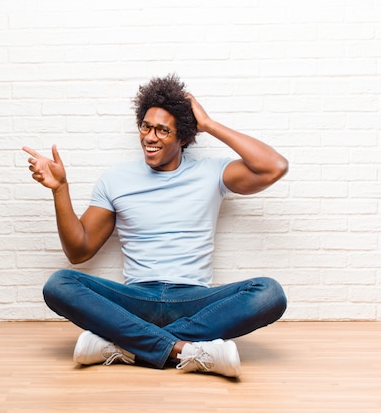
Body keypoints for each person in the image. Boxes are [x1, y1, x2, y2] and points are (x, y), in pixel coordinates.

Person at [22, 74, 288, 378]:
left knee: (269, 293)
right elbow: (79, 251)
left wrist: (209, 124)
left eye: (163, 130)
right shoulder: (116, 179)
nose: (150, 137)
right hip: (136, 299)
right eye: (146, 127)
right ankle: (185, 351)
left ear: (184, 137)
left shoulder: (212, 173)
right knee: (59, 284)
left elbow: (274, 166)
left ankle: (126, 345)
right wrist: (60, 189)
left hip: (193, 300)